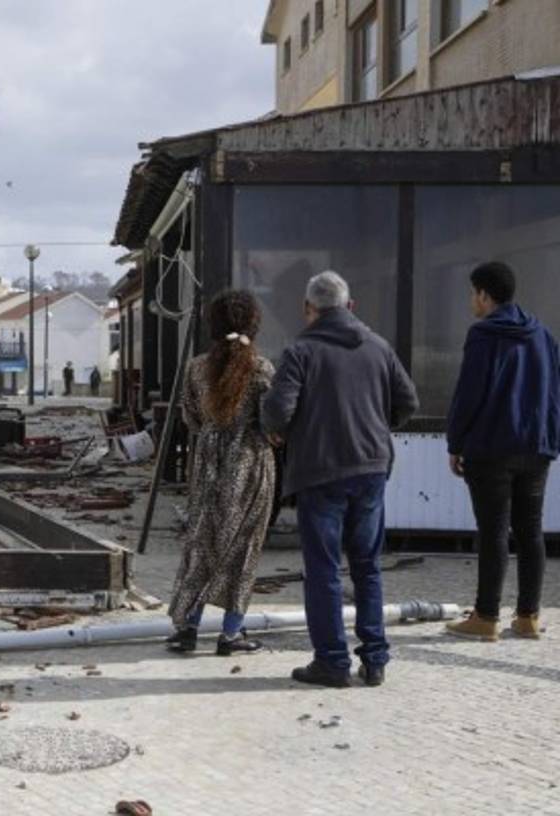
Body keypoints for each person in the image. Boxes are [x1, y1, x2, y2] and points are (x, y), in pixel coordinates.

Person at [263, 271, 418, 688]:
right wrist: (376, 426)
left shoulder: (301, 351)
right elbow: (408, 402)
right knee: (367, 567)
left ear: (308, 309)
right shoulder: (379, 347)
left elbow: (277, 411)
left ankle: (332, 662)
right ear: (350, 306)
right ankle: (375, 660)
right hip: (371, 468)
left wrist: (281, 431)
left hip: (320, 471)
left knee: (324, 570)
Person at [444, 262, 559, 641]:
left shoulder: (483, 334)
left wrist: (455, 443)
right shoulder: (542, 334)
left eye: (472, 293)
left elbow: (469, 394)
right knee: (530, 532)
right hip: (535, 448)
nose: (471, 301)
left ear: (484, 294)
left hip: (491, 448)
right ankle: (528, 617)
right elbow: (554, 392)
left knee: (493, 532)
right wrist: (550, 440)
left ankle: (486, 616)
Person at [166, 290, 276, 657]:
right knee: (243, 546)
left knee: (202, 543)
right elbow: (272, 421)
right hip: (250, 463)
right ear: (253, 324)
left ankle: (187, 628)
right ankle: (230, 634)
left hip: (208, 464)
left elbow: (190, 418)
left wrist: (213, 431)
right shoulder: (262, 369)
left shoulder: (196, 368)